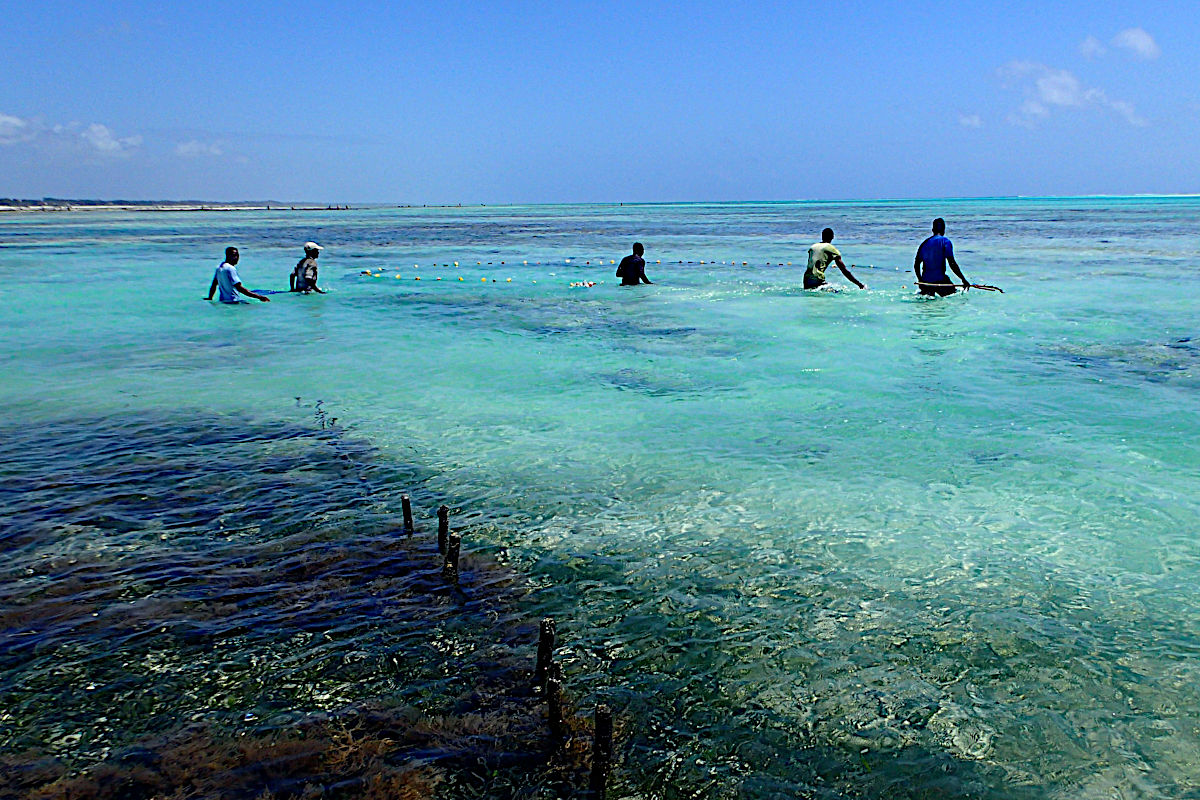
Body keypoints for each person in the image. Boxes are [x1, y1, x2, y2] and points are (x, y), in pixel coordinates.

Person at [914, 218, 969, 296]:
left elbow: (916, 265)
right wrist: (963, 279)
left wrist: (920, 281)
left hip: (926, 282)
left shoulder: (924, 244)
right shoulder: (945, 242)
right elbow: (952, 263)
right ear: (944, 230)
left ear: (932, 229)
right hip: (940, 281)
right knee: (954, 296)